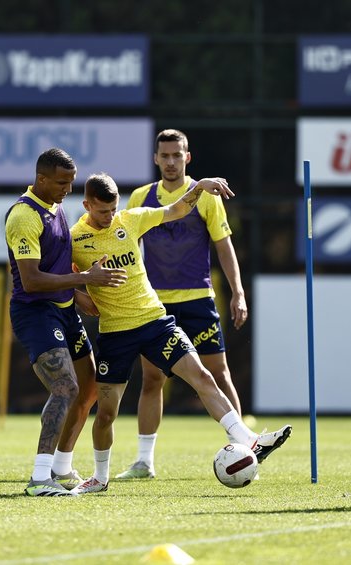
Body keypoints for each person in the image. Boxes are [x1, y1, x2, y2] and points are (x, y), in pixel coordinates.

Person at [69, 172, 292, 493]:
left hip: (154, 322)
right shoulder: (75, 239)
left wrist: (198, 187)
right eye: (103, 211)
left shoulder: (129, 220)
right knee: (105, 414)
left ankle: (251, 440)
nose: (109, 216)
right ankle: (100, 478)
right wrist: (81, 290)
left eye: (113, 209)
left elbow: (176, 209)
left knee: (202, 375)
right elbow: (56, 275)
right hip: (115, 333)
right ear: (87, 205)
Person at [116, 129, 248, 480]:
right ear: (155, 159)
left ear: (187, 157)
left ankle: (246, 451)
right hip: (154, 304)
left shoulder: (206, 196)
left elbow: (224, 246)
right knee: (152, 379)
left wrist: (237, 291)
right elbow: (125, 245)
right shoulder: (141, 197)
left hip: (198, 300)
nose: (171, 161)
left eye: (177, 155)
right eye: (165, 155)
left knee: (218, 374)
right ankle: (144, 462)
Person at [5, 148, 127, 497]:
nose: (67, 189)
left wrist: (77, 293)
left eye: (71, 182)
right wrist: (84, 280)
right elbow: (32, 280)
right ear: (41, 179)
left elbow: (57, 265)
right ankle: (39, 478)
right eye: (61, 182)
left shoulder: (55, 207)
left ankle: (61, 467)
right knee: (65, 387)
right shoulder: (24, 217)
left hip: (65, 310)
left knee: (89, 389)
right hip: (36, 312)